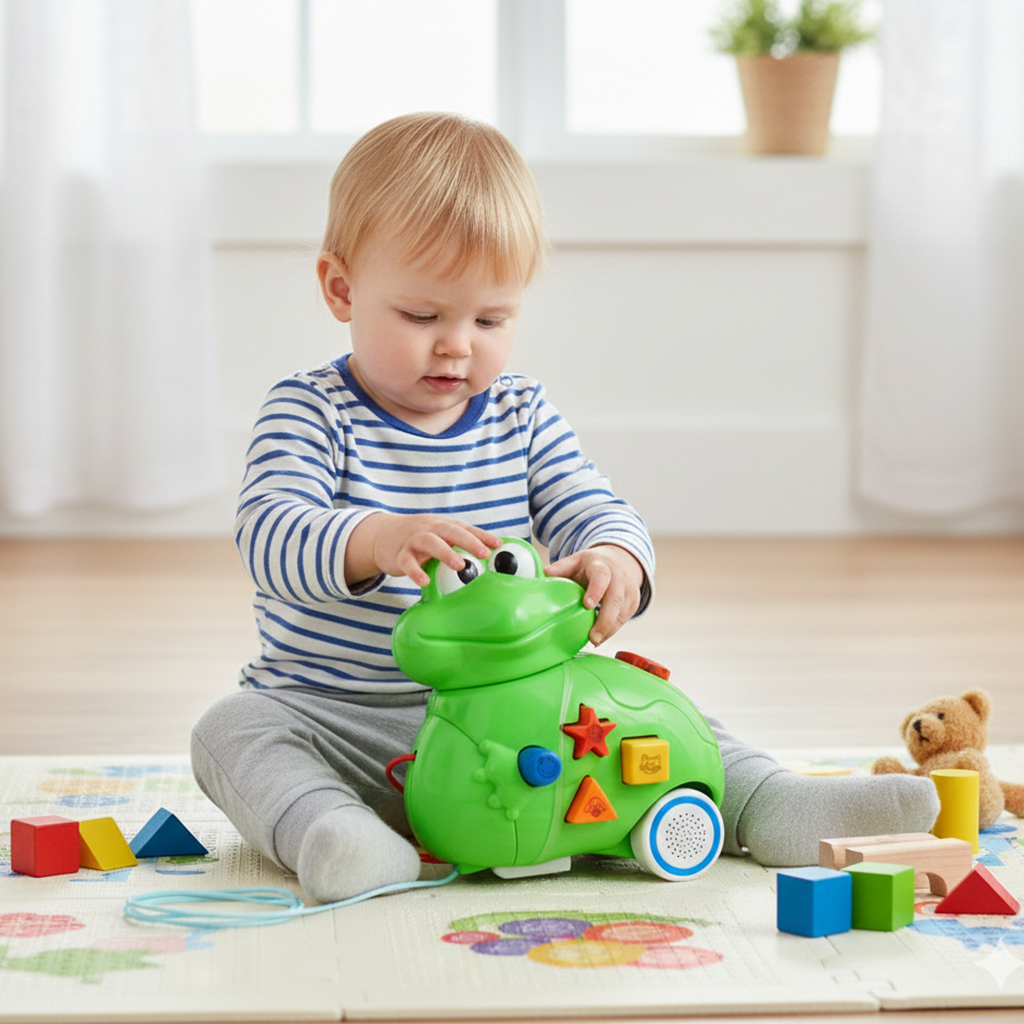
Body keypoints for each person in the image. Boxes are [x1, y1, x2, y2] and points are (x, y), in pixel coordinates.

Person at [191, 112, 938, 905]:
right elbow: (267, 534)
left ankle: (768, 801)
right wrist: (375, 538)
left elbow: (590, 501)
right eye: (422, 316)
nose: (457, 345)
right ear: (341, 289)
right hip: (338, 717)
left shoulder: (521, 413)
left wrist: (617, 558)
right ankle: (338, 833)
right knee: (230, 732)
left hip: (513, 721)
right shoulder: (310, 411)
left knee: (647, 708)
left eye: (491, 319)